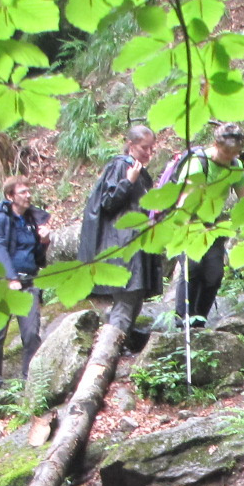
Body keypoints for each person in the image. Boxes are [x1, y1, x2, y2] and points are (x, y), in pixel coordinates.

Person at [78, 125, 162, 334]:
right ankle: (106, 355)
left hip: (136, 245)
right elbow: (108, 202)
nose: (149, 153)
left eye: (152, 148)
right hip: (122, 247)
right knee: (126, 303)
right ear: (131, 145)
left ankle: (116, 342)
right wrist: (128, 181)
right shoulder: (120, 167)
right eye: (145, 148)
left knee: (134, 301)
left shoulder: (139, 170)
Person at [0, 176, 52, 389]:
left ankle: (30, 382)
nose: (28, 195)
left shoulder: (30, 221)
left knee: (31, 333)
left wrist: (44, 242)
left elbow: (36, 257)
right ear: (10, 196)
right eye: (23, 192)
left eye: (29, 191)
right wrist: (11, 277)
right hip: (2, 283)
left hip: (27, 281)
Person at [170, 122, 244, 326]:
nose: (230, 157)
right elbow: (184, 202)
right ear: (216, 144)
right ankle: (182, 323)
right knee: (192, 268)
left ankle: (199, 322)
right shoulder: (198, 164)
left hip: (212, 226)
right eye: (226, 152)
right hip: (188, 222)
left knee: (214, 273)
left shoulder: (235, 166)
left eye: (235, 152)